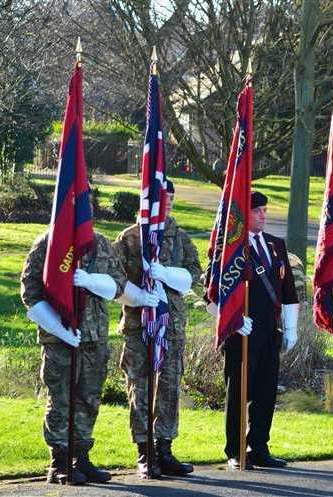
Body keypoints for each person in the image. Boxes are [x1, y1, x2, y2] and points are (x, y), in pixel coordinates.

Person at [21, 225, 133, 485]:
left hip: (94, 338)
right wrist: (59, 329)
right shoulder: (47, 243)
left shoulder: (102, 243)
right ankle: (59, 462)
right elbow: (30, 291)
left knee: (89, 399)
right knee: (61, 400)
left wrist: (92, 281)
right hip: (60, 337)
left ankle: (80, 458)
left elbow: (119, 285)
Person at [113, 179, 201, 478]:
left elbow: (193, 275)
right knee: (140, 388)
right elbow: (115, 281)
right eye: (164, 200)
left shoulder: (179, 236)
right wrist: (138, 296)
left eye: (172, 201)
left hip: (171, 326)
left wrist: (166, 274)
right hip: (139, 327)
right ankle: (144, 451)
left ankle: (164, 449)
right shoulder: (129, 239)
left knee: (169, 388)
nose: (169, 206)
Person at [207, 191, 299, 470]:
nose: (263, 215)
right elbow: (211, 298)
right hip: (241, 333)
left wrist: (291, 328)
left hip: (270, 330)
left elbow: (288, 291)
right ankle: (235, 449)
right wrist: (232, 320)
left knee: (266, 391)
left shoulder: (275, 245)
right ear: (242, 215)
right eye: (257, 210)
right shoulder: (230, 248)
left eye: (264, 210)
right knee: (239, 394)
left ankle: (258, 446)